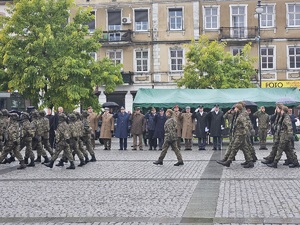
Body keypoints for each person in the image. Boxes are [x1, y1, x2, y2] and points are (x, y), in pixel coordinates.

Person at [217, 104, 254, 168]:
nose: (234, 109)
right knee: (245, 148)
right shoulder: (238, 115)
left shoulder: (241, 116)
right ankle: (250, 162)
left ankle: (228, 161)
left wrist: (247, 132)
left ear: (238, 108)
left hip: (240, 134)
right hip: (238, 134)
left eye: (235, 108)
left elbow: (246, 124)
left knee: (234, 147)